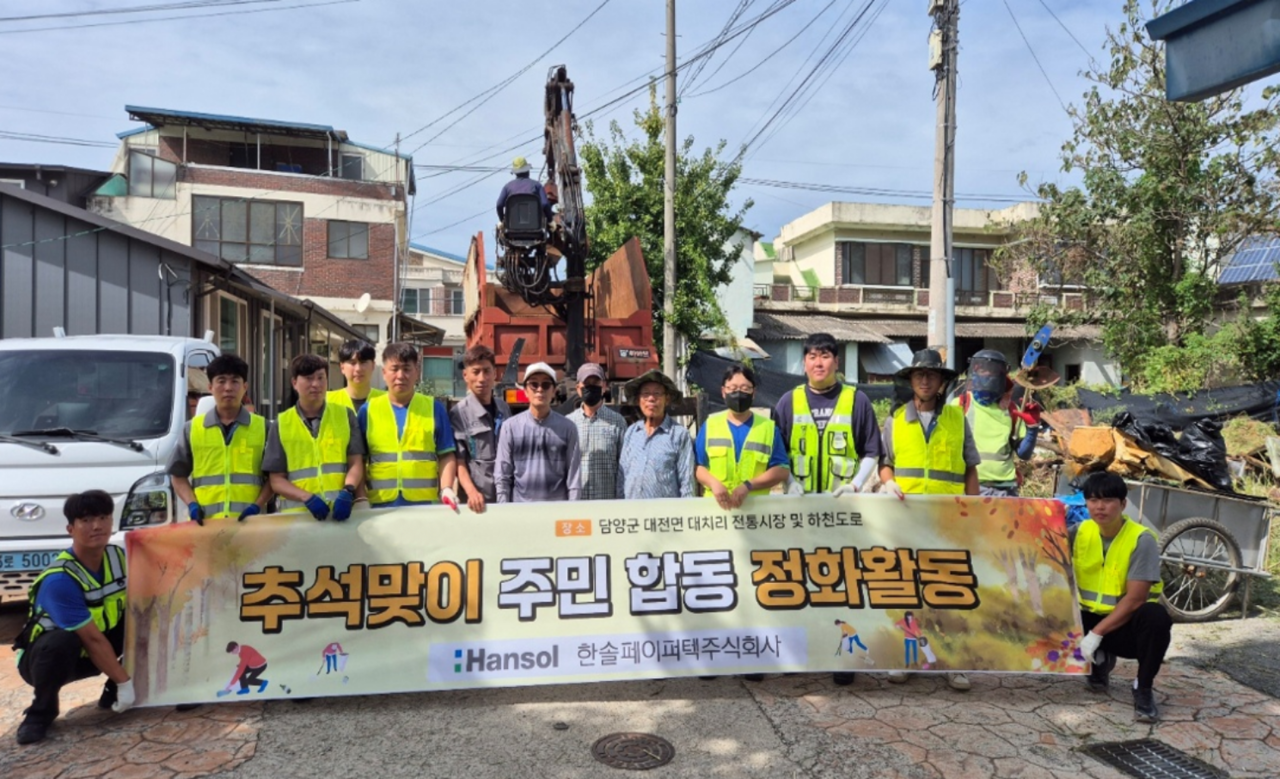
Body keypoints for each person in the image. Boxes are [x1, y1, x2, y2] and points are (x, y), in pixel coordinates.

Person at [879, 348, 979, 691]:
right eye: (919, 375)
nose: (924, 380)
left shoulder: (956, 419)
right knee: (908, 591)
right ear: (910, 380)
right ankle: (906, 659)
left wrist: (972, 513)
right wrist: (888, 483)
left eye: (931, 375)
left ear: (941, 382)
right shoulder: (895, 420)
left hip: (946, 522)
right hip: (905, 521)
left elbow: (970, 468)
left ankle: (953, 662)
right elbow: (885, 464)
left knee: (949, 591)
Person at [13, 491, 134, 745]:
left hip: (96, 646)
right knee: (60, 642)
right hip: (49, 660)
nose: (97, 526)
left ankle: (113, 689)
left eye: (103, 518)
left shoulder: (119, 557)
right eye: (86, 520)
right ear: (71, 528)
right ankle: (40, 713)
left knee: (147, 618)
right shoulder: (60, 579)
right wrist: (126, 683)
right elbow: (91, 639)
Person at [694, 364, 790, 684]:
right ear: (723, 392)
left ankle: (752, 656)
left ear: (754, 392)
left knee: (751, 588)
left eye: (745, 389)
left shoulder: (767, 427)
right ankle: (712, 657)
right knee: (714, 587)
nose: (739, 393)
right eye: (733, 388)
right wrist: (714, 483)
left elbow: (781, 469)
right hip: (716, 519)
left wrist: (749, 485)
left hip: (754, 520)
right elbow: (699, 466)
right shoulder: (710, 424)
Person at [1072, 472, 1171, 723]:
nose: (1100, 507)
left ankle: (1143, 687)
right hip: (1084, 619)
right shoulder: (1080, 531)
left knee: (1156, 617)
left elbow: (1136, 599)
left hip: (1123, 627)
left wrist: (1096, 635)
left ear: (1123, 504)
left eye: (1107, 500)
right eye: (1093, 500)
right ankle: (1099, 662)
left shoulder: (1141, 539)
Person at [773, 332, 883, 498]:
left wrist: (855, 485)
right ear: (804, 363)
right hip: (798, 502)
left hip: (843, 503)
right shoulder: (788, 402)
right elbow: (777, 452)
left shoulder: (857, 401)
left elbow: (872, 451)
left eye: (825, 356)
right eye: (812, 357)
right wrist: (790, 482)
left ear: (837, 362)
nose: (818, 363)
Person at [169, 354, 270, 523]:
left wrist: (257, 506)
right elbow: (178, 475)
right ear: (210, 387)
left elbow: (275, 477)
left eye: (235, 381)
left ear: (245, 387)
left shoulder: (264, 428)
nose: (228, 388)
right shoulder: (192, 429)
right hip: (205, 526)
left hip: (250, 526)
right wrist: (192, 505)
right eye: (221, 381)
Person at [264, 354, 366, 521]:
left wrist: (348, 490)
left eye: (320, 378)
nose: (316, 384)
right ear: (294, 383)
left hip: (340, 515)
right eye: (309, 378)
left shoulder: (345, 416)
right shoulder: (282, 423)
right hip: (297, 519)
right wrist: (306, 497)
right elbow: (276, 480)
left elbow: (355, 462)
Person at [357, 342, 458, 510]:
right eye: (394, 369)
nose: (400, 375)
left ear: (416, 372)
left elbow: (446, 455)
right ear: (384, 373)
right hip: (379, 507)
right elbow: (358, 459)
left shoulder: (434, 408)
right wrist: (360, 497)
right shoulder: (368, 411)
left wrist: (446, 488)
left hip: (424, 507)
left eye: (406, 369)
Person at [955, 350, 1041, 496]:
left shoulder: (1012, 409)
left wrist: (1032, 428)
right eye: (982, 370)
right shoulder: (961, 404)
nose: (988, 376)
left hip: (1006, 489)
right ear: (974, 373)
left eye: (993, 372)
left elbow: (1024, 454)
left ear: (1002, 377)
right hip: (971, 487)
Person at [495, 362, 581, 502]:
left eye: (546, 385)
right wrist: (503, 508)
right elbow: (502, 475)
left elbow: (574, 478)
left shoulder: (568, 428)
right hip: (522, 510)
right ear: (525, 390)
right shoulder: (510, 427)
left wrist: (573, 510)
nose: (540, 389)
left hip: (557, 511)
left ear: (554, 391)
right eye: (534, 384)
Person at [450, 345, 511, 513]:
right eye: (476, 372)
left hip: (505, 495)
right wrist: (472, 492)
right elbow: (459, 461)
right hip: (477, 501)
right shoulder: (459, 413)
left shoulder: (504, 408)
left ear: (495, 374)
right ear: (465, 375)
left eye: (486, 371)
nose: (482, 378)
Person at [617, 368, 695, 499]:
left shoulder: (679, 435)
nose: (651, 398)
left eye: (657, 394)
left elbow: (687, 483)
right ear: (639, 399)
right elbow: (621, 477)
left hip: (664, 511)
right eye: (646, 393)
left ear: (667, 399)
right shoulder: (631, 433)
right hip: (632, 510)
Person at [566, 363, 627, 501]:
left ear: (604, 386)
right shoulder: (569, 424)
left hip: (607, 503)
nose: (591, 387)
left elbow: (623, 467)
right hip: (577, 504)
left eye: (595, 383)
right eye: (587, 384)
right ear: (578, 388)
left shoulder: (617, 422)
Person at [328, 339, 386, 413]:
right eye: (352, 363)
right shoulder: (327, 401)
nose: (358, 369)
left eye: (363, 362)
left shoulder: (388, 401)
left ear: (373, 365)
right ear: (342, 367)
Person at [496, 156, 552, 223]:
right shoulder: (537, 185)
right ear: (528, 171)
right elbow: (545, 204)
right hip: (536, 226)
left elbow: (499, 205)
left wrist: (502, 220)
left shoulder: (507, 187)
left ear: (515, 173)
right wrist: (550, 220)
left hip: (512, 226)